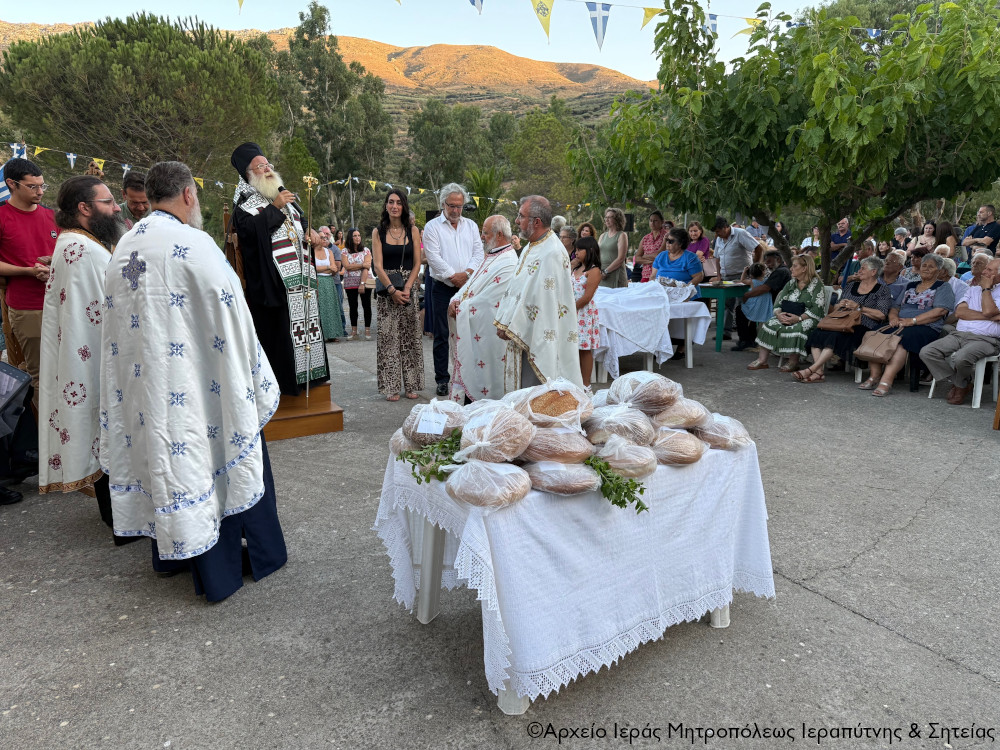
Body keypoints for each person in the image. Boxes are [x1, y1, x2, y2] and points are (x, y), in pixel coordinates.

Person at [100, 160, 286, 602]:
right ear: (187, 195)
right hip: (198, 392)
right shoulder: (193, 243)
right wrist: (249, 374)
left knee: (165, 465)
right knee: (210, 464)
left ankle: (171, 555)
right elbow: (233, 316)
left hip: (146, 391)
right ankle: (227, 564)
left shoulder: (125, 245)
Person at [38, 175, 132, 540]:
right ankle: (120, 519)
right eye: (108, 202)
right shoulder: (84, 250)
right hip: (94, 362)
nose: (116, 207)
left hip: (87, 358)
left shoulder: (74, 243)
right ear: (84, 208)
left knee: (103, 431)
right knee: (106, 431)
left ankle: (116, 515)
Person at [229, 142, 328, 396]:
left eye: (268, 164)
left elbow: (301, 220)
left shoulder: (281, 194)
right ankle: (286, 387)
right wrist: (274, 208)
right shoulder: (244, 204)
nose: (267, 169)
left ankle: (312, 379)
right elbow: (250, 235)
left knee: (308, 328)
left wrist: (310, 230)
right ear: (248, 174)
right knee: (284, 336)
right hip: (274, 285)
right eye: (260, 166)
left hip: (300, 278)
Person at [494, 196, 584, 390]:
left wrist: (511, 325)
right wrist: (505, 320)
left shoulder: (551, 252)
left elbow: (542, 302)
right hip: (522, 330)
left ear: (537, 221)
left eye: (521, 216)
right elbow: (518, 287)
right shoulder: (531, 246)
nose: (517, 221)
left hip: (536, 335)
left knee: (536, 393)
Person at [0, 158, 56, 410]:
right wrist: (27, 271)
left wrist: (54, 263)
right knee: (41, 375)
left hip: (60, 303)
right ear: (12, 184)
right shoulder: (2, 216)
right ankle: (41, 441)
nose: (41, 192)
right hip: (27, 307)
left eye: (42, 185)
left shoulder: (52, 216)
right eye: (33, 186)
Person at [862, 253, 955, 397]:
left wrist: (913, 321)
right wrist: (893, 318)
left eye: (931, 266)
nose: (926, 269)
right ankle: (874, 376)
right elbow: (895, 306)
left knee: (902, 341)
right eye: (924, 265)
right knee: (875, 333)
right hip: (901, 323)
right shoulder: (911, 285)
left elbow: (939, 311)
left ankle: (886, 381)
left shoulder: (943, 287)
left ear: (939, 270)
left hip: (926, 327)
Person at [422, 183, 483, 397]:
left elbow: (478, 253)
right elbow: (433, 257)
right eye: (452, 206)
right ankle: (442, 379)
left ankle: (468, 377)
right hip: (441, 288)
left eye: (460, 206)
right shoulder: (432, 227)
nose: (456, 210)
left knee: (468, 332)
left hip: (468, 288)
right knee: (441, 334)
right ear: (443, 204)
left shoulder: (471, 226)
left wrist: (465, 275)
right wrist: (453, 276)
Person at [448, 216, 518, 402]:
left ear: (499, 234)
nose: (482, 237)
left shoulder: (509, 261)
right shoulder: (493, 256)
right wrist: (455, 300)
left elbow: (489, 301)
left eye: (485, 233)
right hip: (477, 331)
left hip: (489, 336)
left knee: (486, 383)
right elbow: (471, 285)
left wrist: (462, 308)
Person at [797, 256, 892, 383]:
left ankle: (812, 369)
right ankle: (819, 372)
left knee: (834, 337)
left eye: (863, 268)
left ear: (873, 272)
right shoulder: (852, 285)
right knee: (817, 334)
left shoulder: (882, 290)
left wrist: (859, 308)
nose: (859, 271)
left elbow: (881, 315)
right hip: (840, 320)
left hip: (862, 325)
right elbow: (836, 306)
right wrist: (840, 305)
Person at [920, 257, 1000, 405]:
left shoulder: (988, 290)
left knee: (962, 357)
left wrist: (986, 289)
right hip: (959, 334)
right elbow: (960, 313)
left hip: (986, 339)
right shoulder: (972, 289)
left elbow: (989, 310)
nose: (984, 271)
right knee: (927, 352)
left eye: (989, 270)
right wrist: (992, 316)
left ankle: (960, 385)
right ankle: (961, 383)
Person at [372, 189, 424, 401]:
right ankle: (391, 386)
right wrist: (392, 290)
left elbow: (418, 262)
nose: (394, 206)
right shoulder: (379, 232)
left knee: (410, 338)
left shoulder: (413, 230)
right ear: (386, 206)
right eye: (390, 202)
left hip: (409, 289)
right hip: (387, 291)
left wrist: (408, 288)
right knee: (388, 340)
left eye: (398, 202)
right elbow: (377, 265)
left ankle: (412, 385)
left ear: (404, 206)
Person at [748, 255, 826, 372]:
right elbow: (778, 303)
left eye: (795, 266)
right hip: (787, 315)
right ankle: (762, 360)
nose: (791, 269)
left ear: (804, 268)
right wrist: (779, 315)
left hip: (807, 318)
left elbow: (817, 309)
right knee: (770, 323)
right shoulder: (791, 283)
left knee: (798, 328)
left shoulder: (816, 285)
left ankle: (793, 362)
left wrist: (799, 318)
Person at [733, 251, 792, 352]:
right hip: (772, 302)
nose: (767, 265)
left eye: (769, 262)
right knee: (746, 310)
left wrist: (747, 295)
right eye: (766, 262)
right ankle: (751, 340)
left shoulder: (781, 271)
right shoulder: (780, 270)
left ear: (778, 259)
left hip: (775, 305)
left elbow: (765, 288)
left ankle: (746, 341)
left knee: (741, 309)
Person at [712, 216, 759, 337]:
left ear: (725, 227)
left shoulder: (740, 233)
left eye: (718, 231)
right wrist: (718, 275)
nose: (716, 234)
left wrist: (755, 271)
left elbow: (758, 248)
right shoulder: (719, 239)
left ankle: (746, 335)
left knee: (743, 304)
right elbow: (717, 258)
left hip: (742, 275)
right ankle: (725, 332)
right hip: (725, 276)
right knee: (726, 305)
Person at [572, 237, 602, 388]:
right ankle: (574, 381)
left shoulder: (594, 270)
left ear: (590, 251)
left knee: (584, 349)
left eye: (579, 250)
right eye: (575, 249)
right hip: (571, 312)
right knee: (572, 347)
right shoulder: (576, 269)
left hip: (583, 313)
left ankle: (586, 384)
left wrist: (570, 309)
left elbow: (587, 297)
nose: (576, 252)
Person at [311, 228, 344, 343]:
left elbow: (335, 268)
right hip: (317, 281)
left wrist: (328, 268)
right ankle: (321, 334)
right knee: (320, 307)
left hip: (329, 281)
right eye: (322, 237)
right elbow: (313, 268)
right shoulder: (311, 251)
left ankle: (332, 334)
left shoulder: (329, 252)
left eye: (326, 237)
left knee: (331, 308)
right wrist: (328, 267)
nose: (325, 239)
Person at [341, 228, 372, 340]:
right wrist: (362, 264)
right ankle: (354, 331)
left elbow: (367, 267)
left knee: (366, 306)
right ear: (350, 237)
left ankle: (367, 331)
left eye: (359, 235)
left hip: (365, 281)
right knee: (353, 307)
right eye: (355, 235)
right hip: (350, 282)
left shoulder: (366, 250)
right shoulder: (344, 251)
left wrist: (362, 283)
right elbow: (347, 266)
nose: (357, 237)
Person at [651, 226, 704, 291]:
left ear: (680, 244)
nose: (667, 243)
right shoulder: (661, 256)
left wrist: (685, 289)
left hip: (685, 297)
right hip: (662, 293)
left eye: (671, 241)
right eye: (667, 240)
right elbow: (653, 276)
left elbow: (698, 277)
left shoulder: (691, 257)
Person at [319, 225, 348, 334]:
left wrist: (321, 271)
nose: (325, 237)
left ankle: (342, 329)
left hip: (334, 282)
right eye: (323, 234)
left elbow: (336, 268)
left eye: (327, 234)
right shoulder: (314, 249)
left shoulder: (334, 249)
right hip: (321, 282)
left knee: (338, 307)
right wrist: (327, 269)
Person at [633, 211, 668, 283]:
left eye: (655, 221)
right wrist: (650, 261)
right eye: (651, 220)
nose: (652, 223)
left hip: (661, 275)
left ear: (662, 222)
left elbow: (659, 255)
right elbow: (637, 258)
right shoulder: (645, 238)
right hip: (645, 275)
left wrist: (644, 256)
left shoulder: (667, 236)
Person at [597, 207, 628, 288]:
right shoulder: (602, 236)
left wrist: (606, 271)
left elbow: (621, 258)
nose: (606, 220)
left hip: (615, 274)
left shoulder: (622, 235)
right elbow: (597, 255)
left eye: (610, 217)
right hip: (601, 275)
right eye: (606, 217)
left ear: (617, 219)